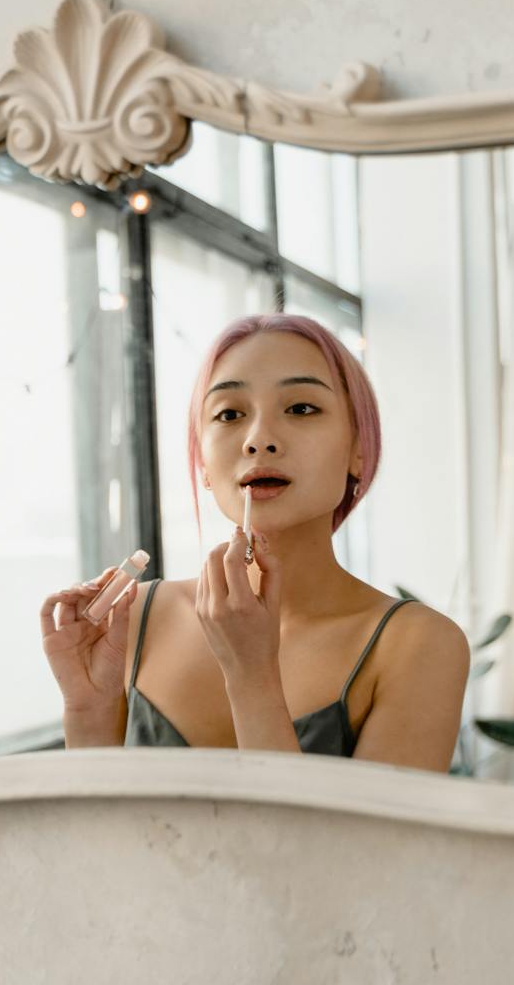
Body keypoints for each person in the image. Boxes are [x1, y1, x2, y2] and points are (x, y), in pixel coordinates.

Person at [41, 314, 469, 769]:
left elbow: (362, 844)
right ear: (203, 463)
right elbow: (99, 831)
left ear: (359, 449)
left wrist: (252, 676)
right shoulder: (132, 620)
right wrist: (88, 711)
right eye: (229, 414)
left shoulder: (419, 646)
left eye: (301, 408)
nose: (259, 440)